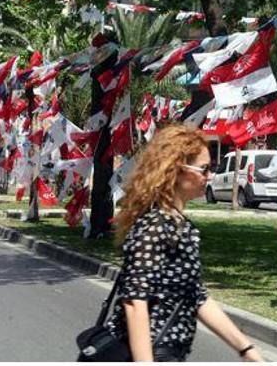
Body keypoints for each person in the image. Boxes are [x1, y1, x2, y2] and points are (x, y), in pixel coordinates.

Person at [107, 124, 264, 362]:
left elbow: (196, 295)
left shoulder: (182, 226)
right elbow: (135, 302)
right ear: (177, 170)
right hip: (148, 353)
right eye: (204, 169)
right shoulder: (155, 225)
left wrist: (246, 349)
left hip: (170, 353)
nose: (209, 176)